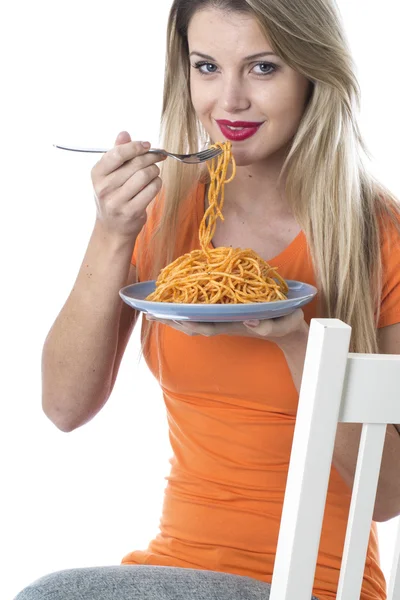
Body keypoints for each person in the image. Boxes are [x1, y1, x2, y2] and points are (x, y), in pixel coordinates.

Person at [14, 0, 400, 599]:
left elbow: (390, 496)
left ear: (311, 72)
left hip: (320, 583)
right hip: (170, 568)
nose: (230, 101)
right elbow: (64, 408)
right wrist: (112, 232)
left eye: (264, 68)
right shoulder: (166, 213)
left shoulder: (377, 234)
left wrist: (299, 341)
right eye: (207, 67)